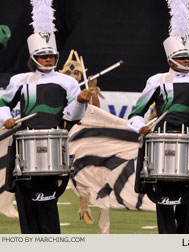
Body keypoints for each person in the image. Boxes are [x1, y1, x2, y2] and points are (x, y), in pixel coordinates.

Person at [0, 10, 92, 232]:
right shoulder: (19, 80)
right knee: (26, 209)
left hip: (53, 147)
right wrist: (7, 119)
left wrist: (80, 101)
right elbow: (3, 103)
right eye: (43, 55)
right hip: (24, 147)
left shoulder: (67, 82)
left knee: (47, 206)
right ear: (33, 58)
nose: (49, 59)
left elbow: (73, 117)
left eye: (52, 55)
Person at [127, 35, 189, 233]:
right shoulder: (157, 80)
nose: (187, 61)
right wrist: (141, 127)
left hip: (188, 141)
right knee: (163, 199)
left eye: (188, 57)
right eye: (182, 58)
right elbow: (134, 115)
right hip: (161, 143)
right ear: (170, 61)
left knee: (187, 205)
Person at [59, 50, 110, 234]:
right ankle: (84, 207)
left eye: (77, 73)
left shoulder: (87, 89)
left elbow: (97, 112)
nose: (74, 76)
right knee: (76, 173)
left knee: (90, 171)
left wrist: (92, 95)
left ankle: (87, 207)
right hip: (69, 136)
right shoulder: (61, 89)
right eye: (70, 73)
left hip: (86, 135)